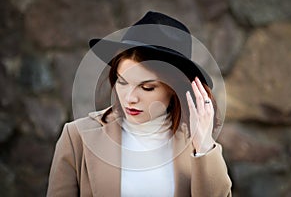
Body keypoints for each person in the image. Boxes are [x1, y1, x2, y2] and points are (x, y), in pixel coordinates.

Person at [47, 11, 232, 197]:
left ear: (173, 88)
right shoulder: (76, 137)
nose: (130, 98)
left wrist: (204, 146)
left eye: (147, 87)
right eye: (122, 82)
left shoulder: (196, 145)